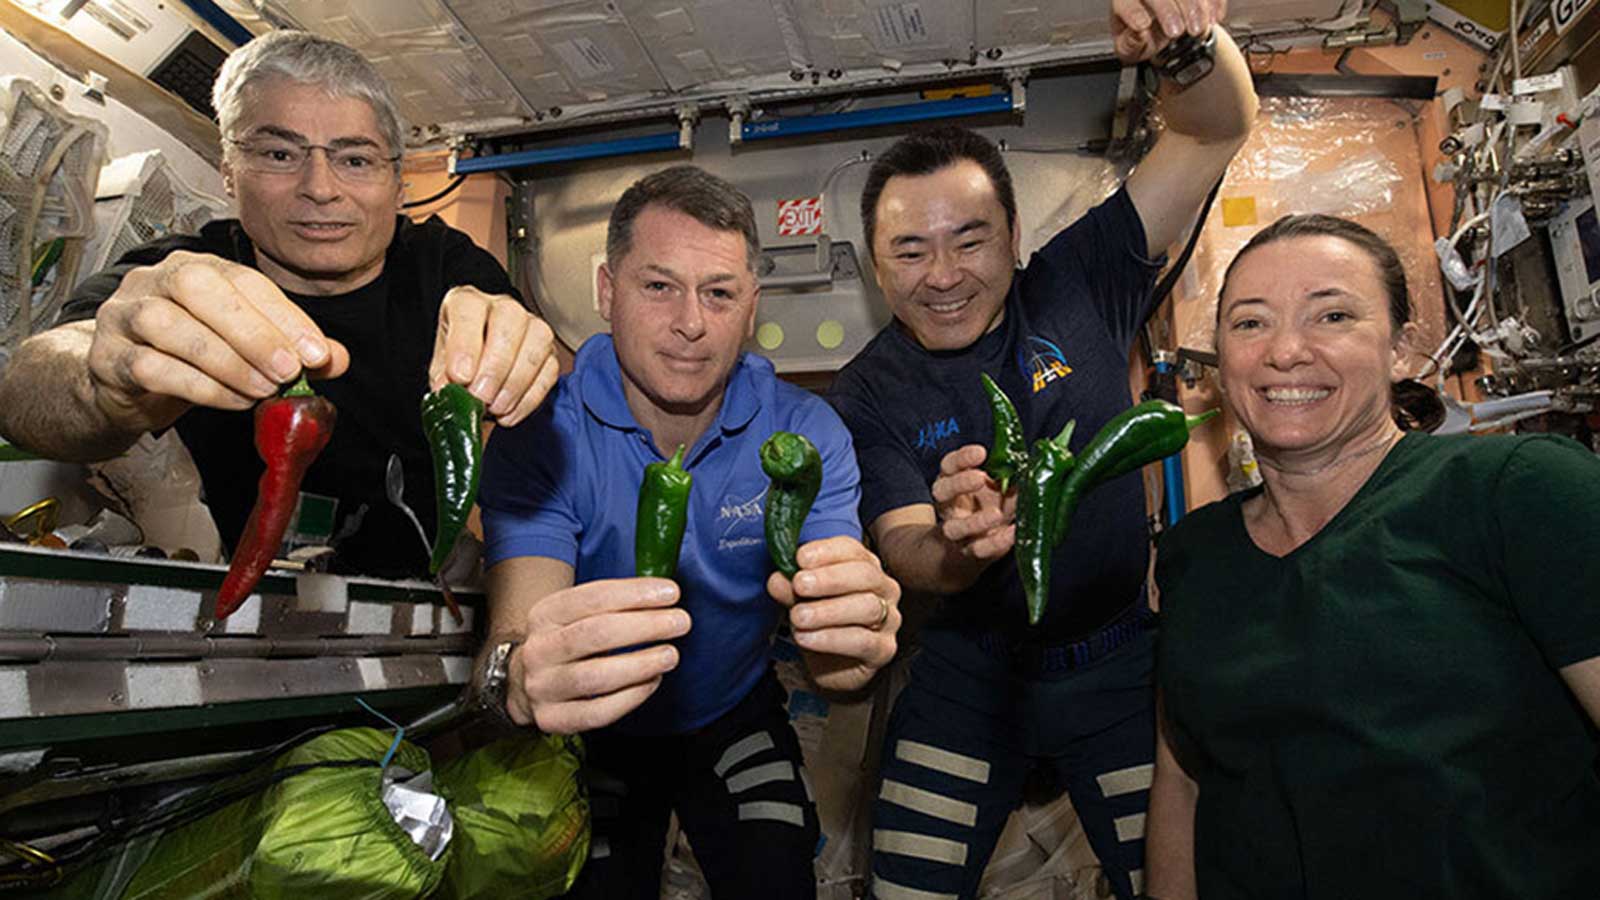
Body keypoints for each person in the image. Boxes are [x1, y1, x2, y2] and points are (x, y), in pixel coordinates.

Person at [824, 1, 1258, 895]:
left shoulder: (1078, 279)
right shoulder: (866, 388)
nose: (942, 276)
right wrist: (955, 546)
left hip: (1117, 666)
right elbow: (903, 545)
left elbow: (1217, 128)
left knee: (1191, 876)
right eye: (909, 251)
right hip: (960, 684)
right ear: (875, 267)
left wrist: (1188, 49)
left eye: (970, 239)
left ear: (1015, 239)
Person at [1144, 215, 1600, 899]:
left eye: (1332, 314)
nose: (1286, 351)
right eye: (1249, 323)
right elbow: (1181, 783)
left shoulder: (1518, 491)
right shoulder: (1192, 555)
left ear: (1401, 348)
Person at [477, 165, 902, 898]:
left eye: (720, 293)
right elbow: (515, 632)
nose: (691, 323)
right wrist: (513, 677)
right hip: (594, 726)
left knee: (778, 875)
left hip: (732, 712)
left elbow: (836, 670)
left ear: (752, 307)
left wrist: (858, 644)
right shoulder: (542, 432)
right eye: (658, 286)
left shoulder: (805, 433)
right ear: (607, 293)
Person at [0, 30, 556, 578]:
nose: (319, 186)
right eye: (278, 153)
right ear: (227, 172)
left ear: (398, 183)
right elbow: (29, 386)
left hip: (419, 581)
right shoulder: (182, 271)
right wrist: (102, 382)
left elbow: (499, 318)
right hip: (247, 583)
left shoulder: (442, 264)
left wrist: (512, 346)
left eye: (356, 160)